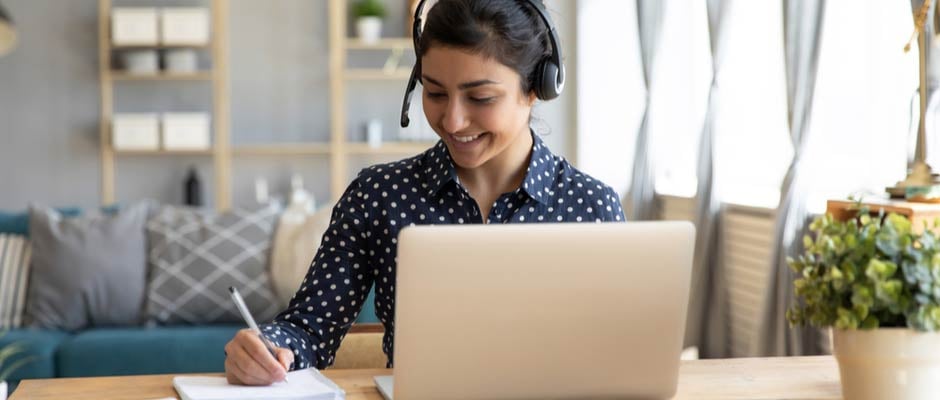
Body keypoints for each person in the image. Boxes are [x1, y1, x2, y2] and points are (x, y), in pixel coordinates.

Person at [223, 0, 625, 385]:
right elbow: (308, 329)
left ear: (538, 86)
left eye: (480, 97)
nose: (452, 119)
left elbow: (618, 350)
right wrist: (269, 349)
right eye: (434, 93)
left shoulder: (592, 206)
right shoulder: (377, 195)